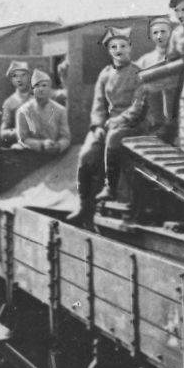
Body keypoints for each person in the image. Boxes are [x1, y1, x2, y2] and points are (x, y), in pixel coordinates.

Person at [68, 26, 148, 226]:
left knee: (114, 138)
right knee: (86, 154)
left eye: (123, 46)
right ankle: (83, 204)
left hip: (130, 125)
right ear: (109, 50)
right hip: (106, 123)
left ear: (130, 48)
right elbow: (98, 104)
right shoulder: (105, 74)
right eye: (114, 47)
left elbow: (138, 107)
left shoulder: (139, 73)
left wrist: (118, 121)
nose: (119, 50)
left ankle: (110, 188)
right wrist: (97, 125)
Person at [16, 69, 71, 154]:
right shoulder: (23, 111)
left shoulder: (60, 110)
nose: (41, 89)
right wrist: (41, 144)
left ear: (50, 88)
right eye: (37, 86)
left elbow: (66, 137)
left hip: (56, 156)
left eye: (44, 85)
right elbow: (22, 139)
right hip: (32, 155)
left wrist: (58, 146)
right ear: (32, 89)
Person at [0, 61, 33, 146]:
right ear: (11, 80)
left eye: (23, 75)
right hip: (18, 145)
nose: (19, 79)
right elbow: (3, 132)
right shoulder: (9, 103)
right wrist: (19, 132)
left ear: (29, 77)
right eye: (15, 76)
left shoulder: (37, 99)